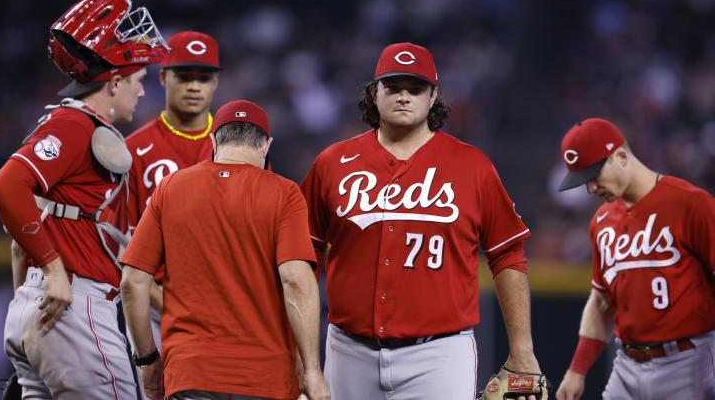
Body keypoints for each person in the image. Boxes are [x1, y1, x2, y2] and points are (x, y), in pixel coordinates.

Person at [300, 42, 542, 400]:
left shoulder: (472, 166)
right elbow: (303, 258)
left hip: (439, 354)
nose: (403, 96)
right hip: (348, 349)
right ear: (374, 92)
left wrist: (522, 350)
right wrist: (301, 357)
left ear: (433, 97)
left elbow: (507, 254)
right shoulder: (333, 163)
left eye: (415, 88)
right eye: (393, 87)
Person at [0, 0, 168, 399]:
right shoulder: (75, 125)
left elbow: (20, 243)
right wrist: (53, 271)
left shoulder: (69, 125)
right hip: (75, 307)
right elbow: (5, 186)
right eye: (137, 81)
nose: (142, 93)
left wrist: (29, 296)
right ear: (115, 81)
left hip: (38, 310)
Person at [120, 100, 330, 400]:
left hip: (190, 373)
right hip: (264, 379)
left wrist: (147, 360)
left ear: (214, 141)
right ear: (266, 145)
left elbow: (132, 282)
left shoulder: (170, 188)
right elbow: (296, 281)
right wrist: (312, 370)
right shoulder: (284, 193)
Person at [554, 117, 715, 399]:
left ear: (621, 156)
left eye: (593, 176)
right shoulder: (601, 222)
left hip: (689, 361)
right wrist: (577, 369)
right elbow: (602, 299)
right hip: (626, 366)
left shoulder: (691, 203)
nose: (590, 188)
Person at [125, 30, 222, 351]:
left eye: (204, 77)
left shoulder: (237, 146)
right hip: (158, 306)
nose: (194, 86)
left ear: (215, 83)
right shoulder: (134, 150)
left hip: (227, 303)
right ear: (164, 77)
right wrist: (166, 304)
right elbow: (122, 245)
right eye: (184, 76)